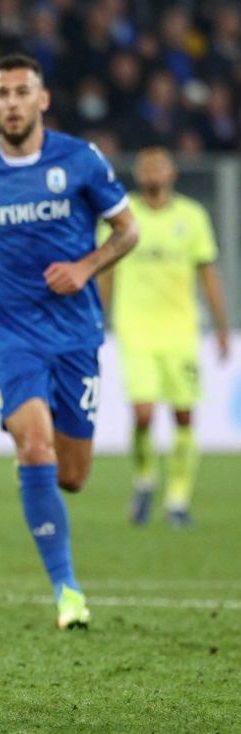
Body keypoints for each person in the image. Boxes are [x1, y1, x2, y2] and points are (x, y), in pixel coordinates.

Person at [0, 54, 139, 630]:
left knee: (72, 474)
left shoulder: (80, 160)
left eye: (24, 91)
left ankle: (42, 482)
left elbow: (128, 230)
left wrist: (86, 266)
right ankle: (67, 591)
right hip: (9, 333)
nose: (14, 102)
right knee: (35, 447)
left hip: (76, 332)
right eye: (3, 93)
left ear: (42, 99)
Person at [98, 147, 229, 528]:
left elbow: (207, 274)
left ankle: (177, 500)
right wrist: (96, 321)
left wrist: (222, 329)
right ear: (138, 173)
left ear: (172, 172)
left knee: (184, 416)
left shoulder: (192, 217)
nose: (152, 170)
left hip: (180, 333)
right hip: (136, 331)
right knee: (143, 415)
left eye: (159, 164)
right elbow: (104, 272)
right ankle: (144, 480)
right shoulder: (121, 219)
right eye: (145, 164)